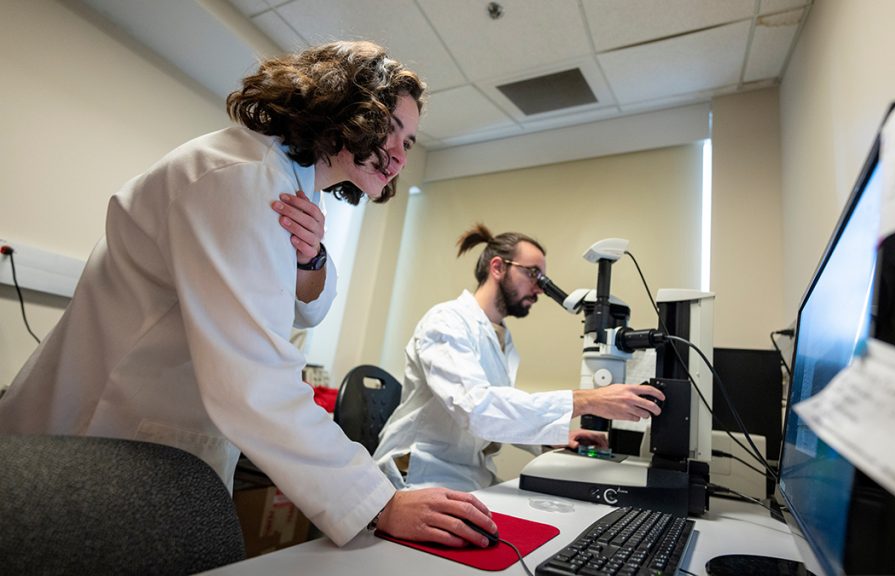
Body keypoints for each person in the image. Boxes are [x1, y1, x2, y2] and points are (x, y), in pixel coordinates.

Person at [0, 40, 498, 549]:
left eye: (409, 142)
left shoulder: (291, 186)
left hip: (149, 447)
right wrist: (378, 501)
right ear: (342, 104)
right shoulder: (241, 177)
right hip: (90, 439)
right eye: (390, 128)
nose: (399, 155)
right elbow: (255, 379)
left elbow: (306, 312)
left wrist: (312, 258)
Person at [373, 224, 666, 492]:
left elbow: (499, 415)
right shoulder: (446, 321)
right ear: (498, 267)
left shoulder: (502, 338)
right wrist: (587, 400)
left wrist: (553, 438)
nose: (539, 288)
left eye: (543, 279)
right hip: (421, 475)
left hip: (469, 475)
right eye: (533, 274)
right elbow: (477, 410)